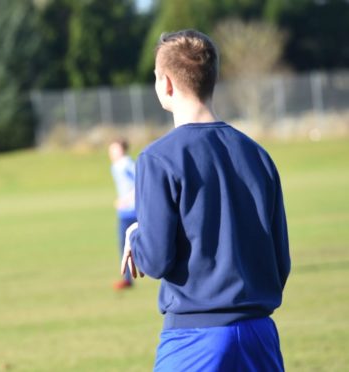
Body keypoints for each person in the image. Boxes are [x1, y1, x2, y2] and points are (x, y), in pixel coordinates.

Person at [120, 29, 290, 371]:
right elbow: (280, 261)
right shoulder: (258, 155)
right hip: (260, 335)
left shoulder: (157, 159)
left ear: (166, 84)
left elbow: (154, 260)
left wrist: (135, 237)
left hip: (196, 338)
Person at [108, 138, 137, 290]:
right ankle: (127, 279)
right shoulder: (115, 166)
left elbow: (140, 183)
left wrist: (125, 199)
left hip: (134, 211)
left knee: (133, 245)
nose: (112, 153)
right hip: (124, 212)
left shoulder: (126, 164)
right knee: (124, 245)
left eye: (115, 149)